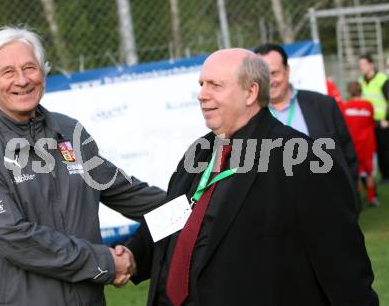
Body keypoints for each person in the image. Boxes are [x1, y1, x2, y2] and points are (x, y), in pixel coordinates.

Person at [125, 48, 378, 306]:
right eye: (201, 84)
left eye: (215, 85)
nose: (202, 94)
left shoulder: (306, 161)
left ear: (251, 92)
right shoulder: (200, 151)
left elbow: (344, 268)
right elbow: (176, 212)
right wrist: (133, 253)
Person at [0, 26, 165, 306]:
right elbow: (14, 238)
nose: (22, 80)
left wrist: (199, 204)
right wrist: (104, 263)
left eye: (30, 67)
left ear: (43, 74)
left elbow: (127, 192)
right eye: (8, 72)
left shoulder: (69, 131)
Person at [253, 43, 358, 192]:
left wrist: (349, 197)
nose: (270, 81)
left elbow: (348, 155)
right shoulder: (248, 116)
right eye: (263, 75)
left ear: (287, 70)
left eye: (274, 73)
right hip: (276, 207)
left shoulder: (323, 105)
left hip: (324, 199)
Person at [342, 81, 378, 207]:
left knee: (354, 173)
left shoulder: (345, 107)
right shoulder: (368, 105)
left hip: (353, 145)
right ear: (360, 91)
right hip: (368, 144)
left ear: (349, 92)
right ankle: (372, 198)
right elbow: (371, 121)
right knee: (369, 173)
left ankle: (357, 200)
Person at [358, 53, 389, 182]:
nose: (361, 67)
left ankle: (386, 176)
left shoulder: (383, 79)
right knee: (370, 150)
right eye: (360, 65)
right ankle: (371, 175)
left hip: (382, 122)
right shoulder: (360, 81)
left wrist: (387, 119)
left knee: (384, 150)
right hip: (367, 123)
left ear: (371, 65)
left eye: (364, 64)